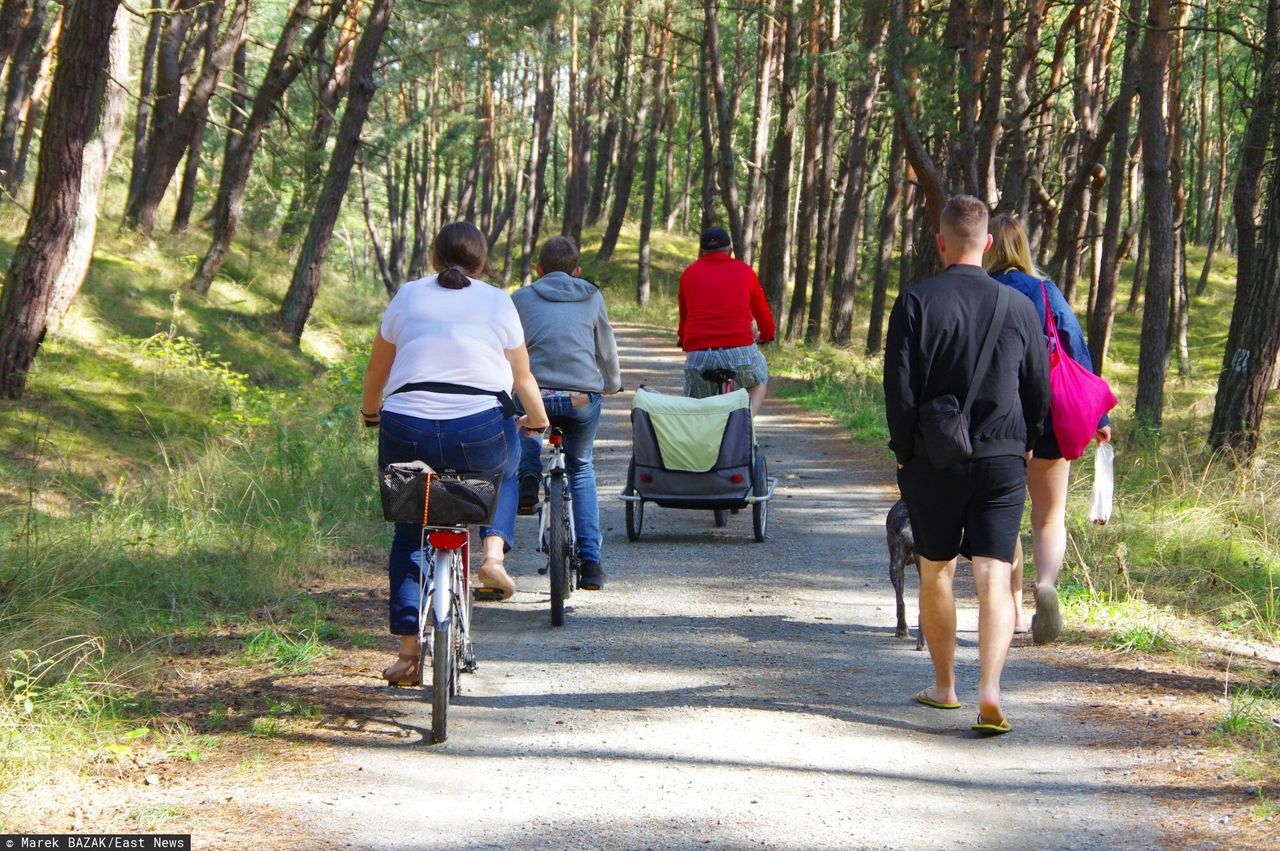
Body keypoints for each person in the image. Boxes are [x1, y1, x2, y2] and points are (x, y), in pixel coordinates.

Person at [883, 195, 1050, 735]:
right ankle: (991, 690)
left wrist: (905, 455)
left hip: (934, 459)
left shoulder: (915, 301)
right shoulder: (1020, 307)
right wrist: (1026, 444)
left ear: (940, 242)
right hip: (1002, 459)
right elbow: (1038, 390)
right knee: (994, 576)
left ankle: (945, 687)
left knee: (936, 569)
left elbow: (899, 390)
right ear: (990, 243)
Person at [361, 222, 550, 686]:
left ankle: (407, 656)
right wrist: (538, 420)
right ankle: (492, 555)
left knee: (410, 532)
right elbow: (521, 379)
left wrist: (370, 415)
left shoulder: (407, 295)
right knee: (503, 471)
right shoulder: (497, 300)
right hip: (479, 428)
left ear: (433, 258)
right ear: (481, 261)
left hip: (406, 425)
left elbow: (377, 370)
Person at [985, 214, 1112, 645]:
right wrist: (1098, 418)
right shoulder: (1046, 291)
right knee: (1048, 516)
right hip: (1052, 419)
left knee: (1005, 515)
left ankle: (1016, 609)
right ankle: (1048, 585)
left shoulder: (983, 291)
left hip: (1000, 420)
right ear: (1023, 247)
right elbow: (1077, 353)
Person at [511, 236, 623, 591]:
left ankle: (528, 481)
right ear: (577, 271)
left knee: (527, 422)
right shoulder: (592, 296)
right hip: (580, 399)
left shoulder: (521, 298)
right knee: (581, 467)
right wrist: (612, 383)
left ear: (538, 270)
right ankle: (591, 564)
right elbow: (605, 347)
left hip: (537, 396)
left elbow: (510, 351)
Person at [677, 226, 776, 416]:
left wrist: (683, 339)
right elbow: (762, 311)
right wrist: (767, 334)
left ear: (701, 251)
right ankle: (745, 426)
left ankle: (704, 437)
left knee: (699, 406)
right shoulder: (744, 271)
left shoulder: (688, 274)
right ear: (730, 250)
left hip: (699, 354)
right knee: (759, 379)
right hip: (739, 351)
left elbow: (685, 316)